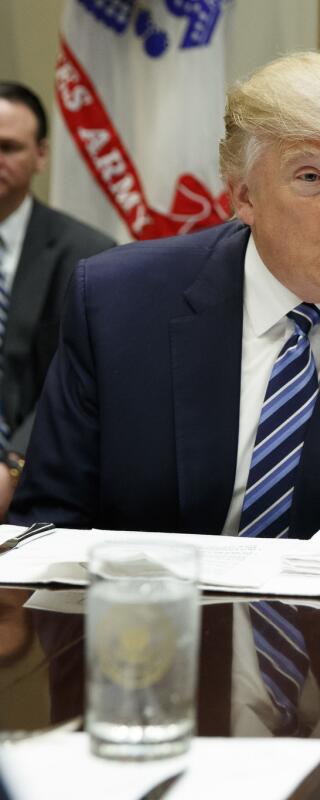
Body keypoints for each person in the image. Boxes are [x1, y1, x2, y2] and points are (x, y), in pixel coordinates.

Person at [10, 52, 320, 551]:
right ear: (244, 197)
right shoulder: (116, 303)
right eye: (312, 177)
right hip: (152, 621)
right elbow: (49, 527)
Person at [0, 82, 113, 519]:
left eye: (8, 147)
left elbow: (78, 380)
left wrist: (12, 467)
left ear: (41, 155)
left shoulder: (89, 256)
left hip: (41, 484)